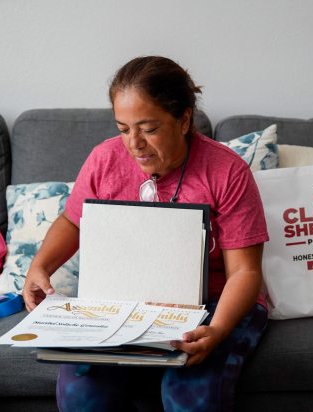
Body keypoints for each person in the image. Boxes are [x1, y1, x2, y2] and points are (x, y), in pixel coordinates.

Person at [22, 56, 269, 411]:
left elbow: (244, 271)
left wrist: (216, 330)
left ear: (184, 120)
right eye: (123, 129)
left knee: (188, 390)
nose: (133, 143)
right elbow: (74, 221)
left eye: (148, 129)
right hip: (121, 302)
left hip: (214, 302)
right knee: (82, 387)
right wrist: (39, 265)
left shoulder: (226, 171)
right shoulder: (104, 159)